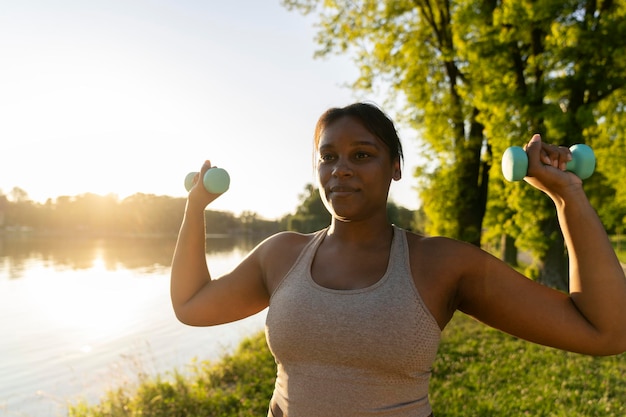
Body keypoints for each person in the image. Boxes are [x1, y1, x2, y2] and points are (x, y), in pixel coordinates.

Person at [170, 102, 626, 417]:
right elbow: (192, 304)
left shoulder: (441, 264)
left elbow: (604, 331)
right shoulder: (280, 254)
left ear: (395, 168)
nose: (340, 169)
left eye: (361, 154)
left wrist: (568, 197)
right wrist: (194, 209)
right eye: (328, 157)